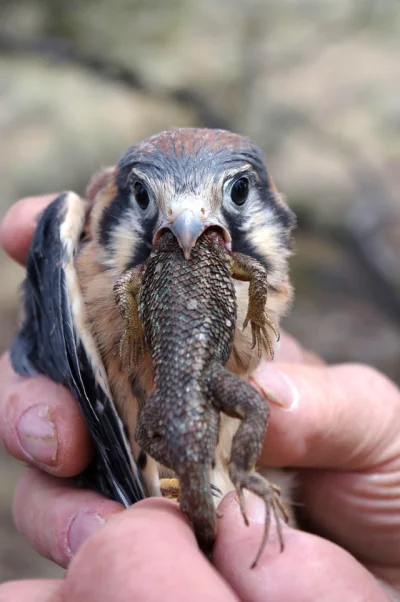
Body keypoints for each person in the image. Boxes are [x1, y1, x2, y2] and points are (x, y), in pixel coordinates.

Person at [0, 196, 399, 602]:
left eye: (234, 194)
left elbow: (139, 289)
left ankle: (203, 481)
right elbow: (248, 277)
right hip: (187, 400)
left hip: (180, 400)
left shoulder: (161, 270)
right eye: (145, 199)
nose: (186, 220)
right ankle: (216, 481)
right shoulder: (147, 261)